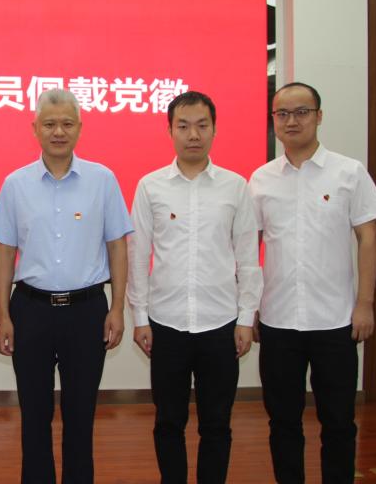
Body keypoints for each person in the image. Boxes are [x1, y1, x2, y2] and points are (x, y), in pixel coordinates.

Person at [0, 88, 133, 484]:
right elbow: (5, 253)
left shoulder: (102, 180)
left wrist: (117, 308)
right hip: (30, 310)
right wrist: (2, 315)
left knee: (81, 415)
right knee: (34, 415)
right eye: (49, 124)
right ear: (35, 128)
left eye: (67, 124)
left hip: (87, 311)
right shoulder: (15, 184)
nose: (58, 132)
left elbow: (117, 247)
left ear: (80, 128)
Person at [250, 82, 376, 484]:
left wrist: (365, 303)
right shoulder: (261, 179)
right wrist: (250, 305)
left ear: (319, 116)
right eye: (282, 114)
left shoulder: (348, 172)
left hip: (336, 320)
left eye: (301, 112)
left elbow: (368, 237)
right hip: (277, 320)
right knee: (283, 421)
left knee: (339, 421)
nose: (291, 121)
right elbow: (249, 247)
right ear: (274, 120)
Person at [127, 91, 263, 484]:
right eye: (183, 126)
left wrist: (246, 318)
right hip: (165, 323)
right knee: (168, 421)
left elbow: (248, 258)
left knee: (217, 424)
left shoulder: (235, 187)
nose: (193, 135)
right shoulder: (150, 186)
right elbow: (138, 255)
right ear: (169, 130)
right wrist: (140, 318)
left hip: (220, 324)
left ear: (214, 129)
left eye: (202, 125)